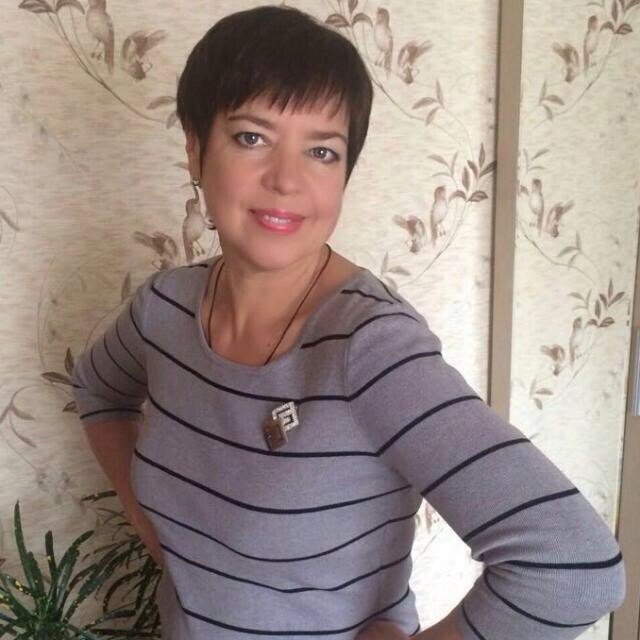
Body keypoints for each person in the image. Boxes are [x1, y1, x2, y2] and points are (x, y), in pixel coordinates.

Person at [71, 5, 626, 640]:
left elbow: (572, 567)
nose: (287, 179)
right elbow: (98, 391)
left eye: (322, 151)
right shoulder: (163, 309)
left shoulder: (372, 348)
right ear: (196, 149)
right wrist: (150, 526)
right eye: (252, 138)